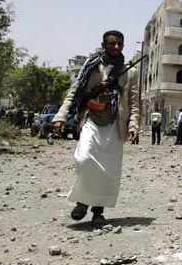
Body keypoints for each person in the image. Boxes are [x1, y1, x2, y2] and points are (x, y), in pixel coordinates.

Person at [53, 30, 139, 227]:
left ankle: (98, 212)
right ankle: (82, 200)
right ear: (103, 45)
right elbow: (75, 91)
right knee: (84, 158)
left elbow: (134, 102)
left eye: (119, 44)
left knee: (108, 170)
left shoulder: (130, 72)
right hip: (92, 120)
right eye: (112, 43)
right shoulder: (92, 65)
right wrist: (61, 116)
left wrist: (133, 125)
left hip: (115, 124)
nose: (116, 47)